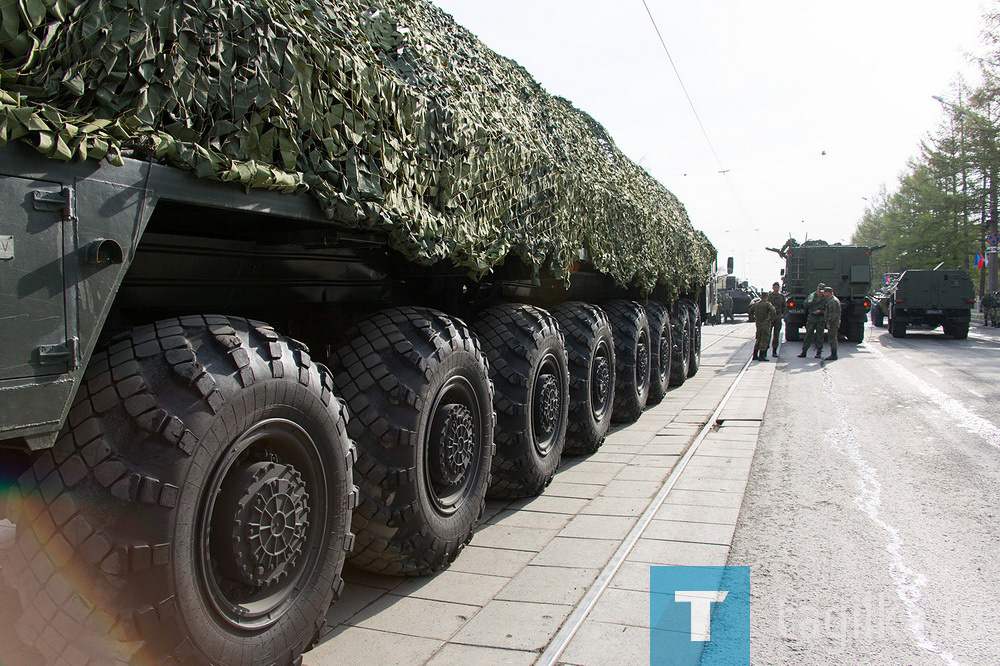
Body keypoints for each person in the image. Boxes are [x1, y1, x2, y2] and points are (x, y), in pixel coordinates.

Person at [798, 283, 828, 358]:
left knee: (819, 335)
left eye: (821, 290)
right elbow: (805, 305)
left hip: (820, 318)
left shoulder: (826, 298)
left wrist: (820, 311)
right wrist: (809, 302)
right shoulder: (812, 295)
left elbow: (828, 310)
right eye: (819, 290)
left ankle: (819, 352)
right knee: (808, 335)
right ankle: (804, 351)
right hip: (812, 318)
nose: (820, 292)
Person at [748, 297, 777, 361]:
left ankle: (755, 355)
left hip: (758, 323)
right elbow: (773, 311)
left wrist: (753, 318)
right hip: (765, 323)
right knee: (764, 339)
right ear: (767, 297)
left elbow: (750, 311)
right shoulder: (767, 304)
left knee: (758, 338)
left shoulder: (756, 304)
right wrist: (771, 319)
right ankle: (762, 355)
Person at [764, 281, 786, 357]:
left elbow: (784, 307)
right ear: (772, 288)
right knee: (768, 335)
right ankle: (765, 350)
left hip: (778, 318)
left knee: (776, 335)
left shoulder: (782, 297)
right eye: (775, 287)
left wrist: (781, 314)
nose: (776, 289)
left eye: (777, 287)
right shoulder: (769, 296)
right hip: (770, 318)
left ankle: (774, 351)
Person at [822, 286, 842, 361]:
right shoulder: (831, 300)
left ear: (828, 293)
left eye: (824, 292)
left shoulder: (832, 301)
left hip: (833, 322)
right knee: (832, 338)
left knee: (832, 338)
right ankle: (833, 354)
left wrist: (829, 323)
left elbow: (833, 314)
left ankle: (834, 355)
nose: (824, 294)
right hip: (834, 322)